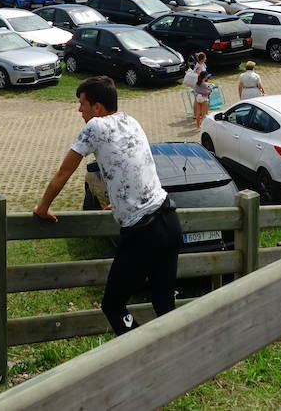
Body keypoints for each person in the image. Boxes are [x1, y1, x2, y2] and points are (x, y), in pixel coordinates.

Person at [34, 77, 181, 335]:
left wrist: (42, 207)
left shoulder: (95, 127)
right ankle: (174, 360)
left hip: (143, 233)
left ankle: (141, 353)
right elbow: (131, 165)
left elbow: (63, 172)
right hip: (169, 221)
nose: (80, 110)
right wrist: (118, 203)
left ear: (98, 108)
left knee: (113, 306)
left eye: (82, 104)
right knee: (164, 303)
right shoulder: (131, 120)